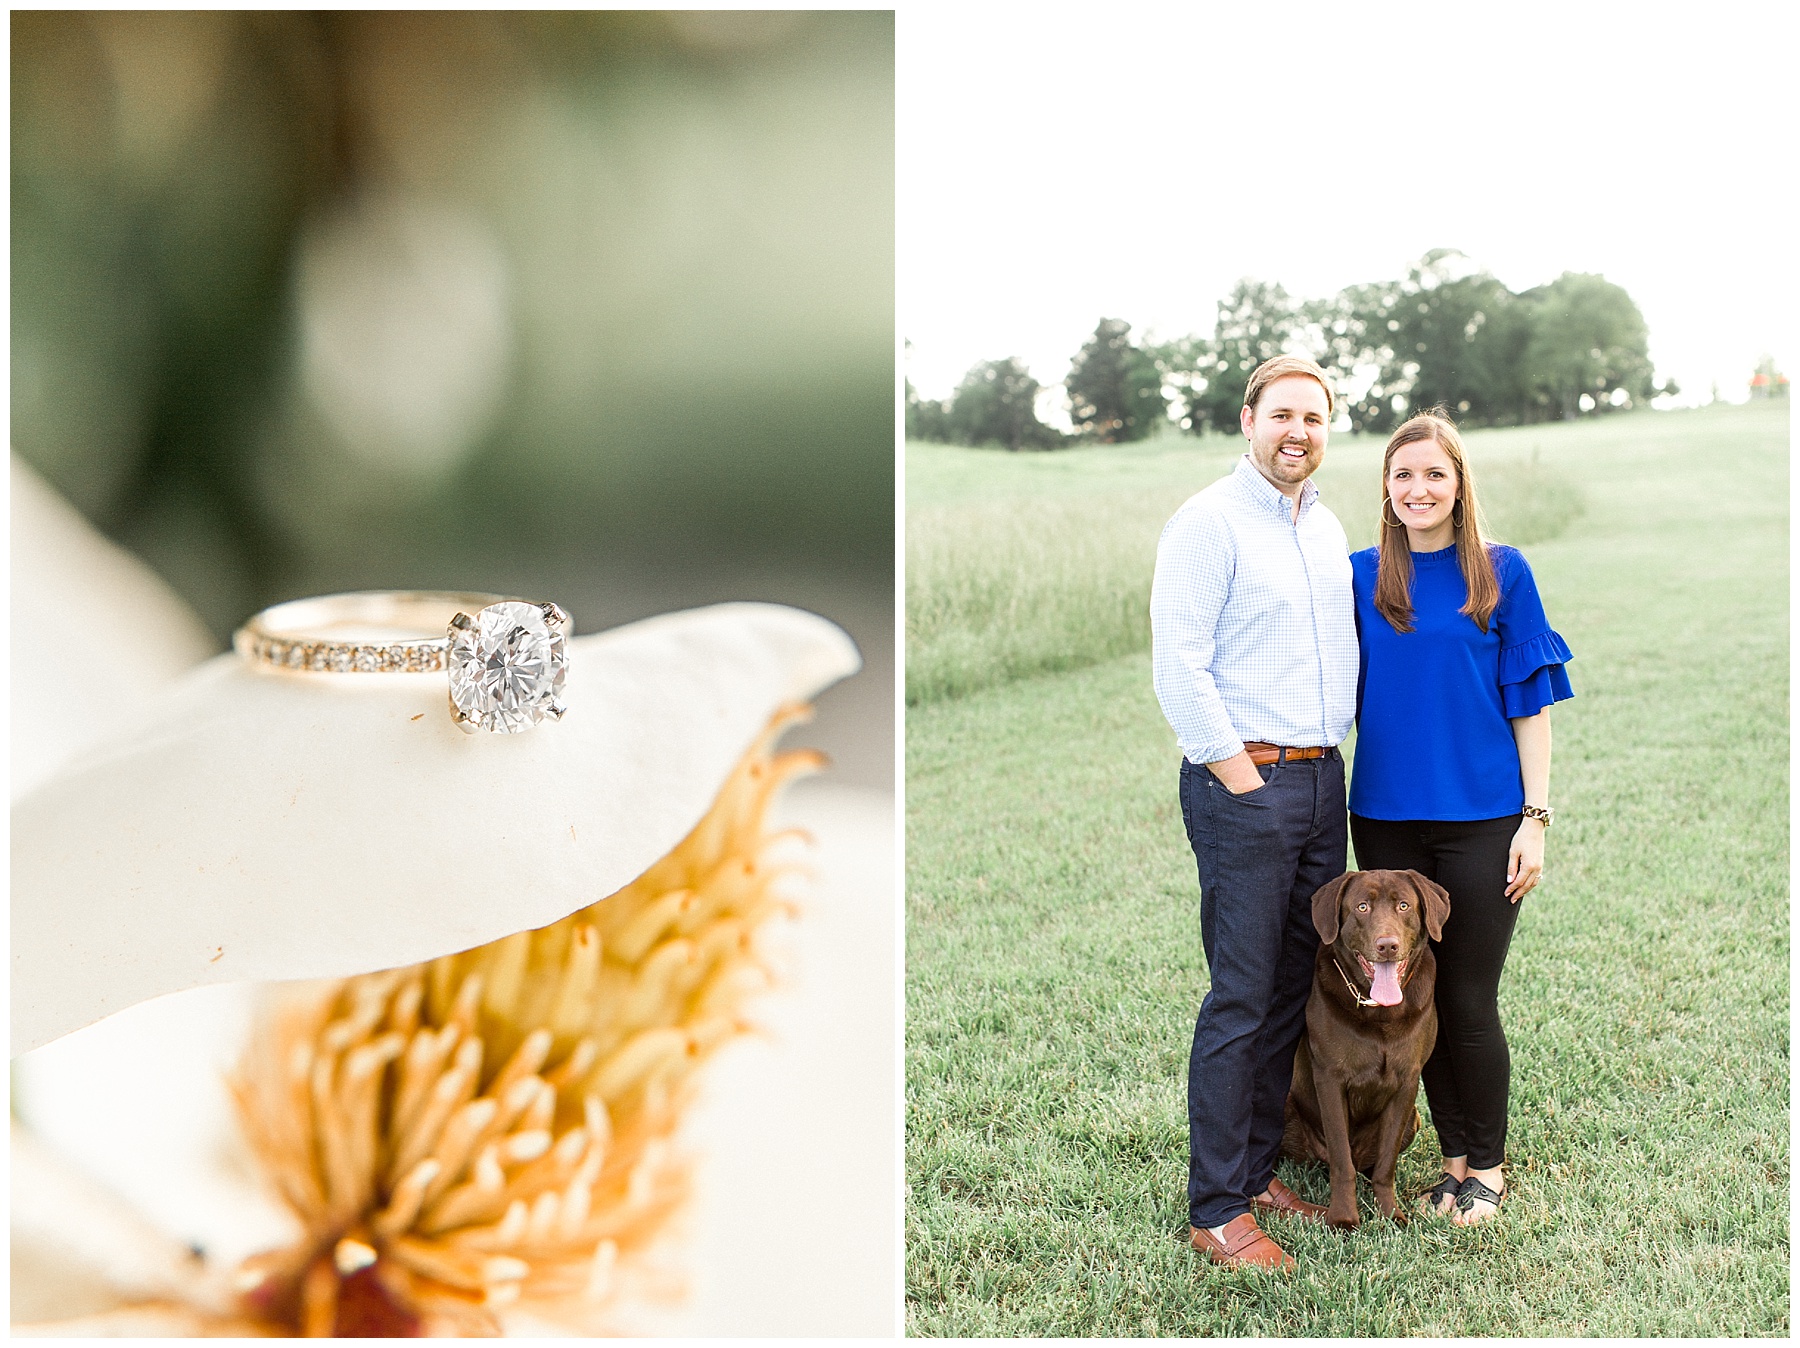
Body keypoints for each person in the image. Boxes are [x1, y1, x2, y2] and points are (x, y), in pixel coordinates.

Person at [1149, 354, 1357, 1272]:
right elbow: (1179, 668)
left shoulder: (1327, 527)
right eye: (1283, 415)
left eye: (1314, 419)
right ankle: (1217, 1210)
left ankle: (1258, 1168)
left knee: (1289, 988)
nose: (1298, 433)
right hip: (1251, 784)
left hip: (1323, 784)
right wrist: (1244, 782)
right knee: (1239, 993)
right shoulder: (1208, 523)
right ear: (1248, 419)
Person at [1346, 410, 1573, 1227]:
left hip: (1484, 820)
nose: (1418, 488)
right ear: (1387, 487)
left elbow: (1531, 705)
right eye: (1402, 475)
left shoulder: (1501, 573)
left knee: (1470, 999)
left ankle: (1488, 1167)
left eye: (1433, 474)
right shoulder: (1361, 576)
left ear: (1458, 482)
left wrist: (1534, 819)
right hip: (1385, 825)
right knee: (1413, 998)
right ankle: (1449, 1165)